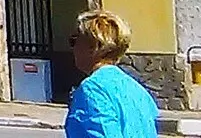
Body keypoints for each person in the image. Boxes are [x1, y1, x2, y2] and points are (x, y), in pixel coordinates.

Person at [65, 10, 158, 138]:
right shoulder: (137, 90)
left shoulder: (92, 89)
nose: (73, 48)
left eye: (74, 41)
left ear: (94, 46)